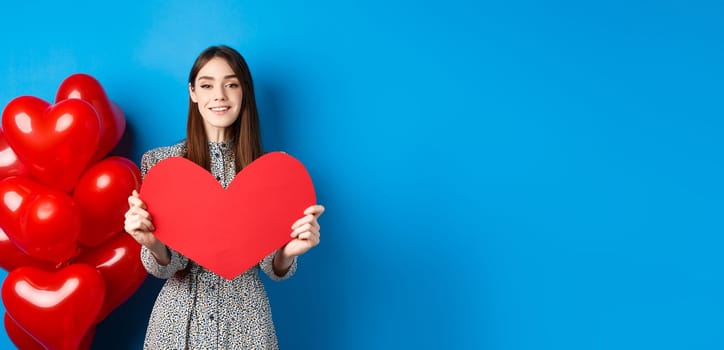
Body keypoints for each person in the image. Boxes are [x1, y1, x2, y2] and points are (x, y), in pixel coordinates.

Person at [123, 45, 324, 349]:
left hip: (247, 327)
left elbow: (272, 264)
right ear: (193, 93)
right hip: (178, 326)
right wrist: (151, 243)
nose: (219, 95)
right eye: (207, 85)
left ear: (244, 92)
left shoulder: (271, 171)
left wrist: (289, 251)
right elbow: (168, 265)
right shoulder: (161, 165)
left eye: (231, 84)